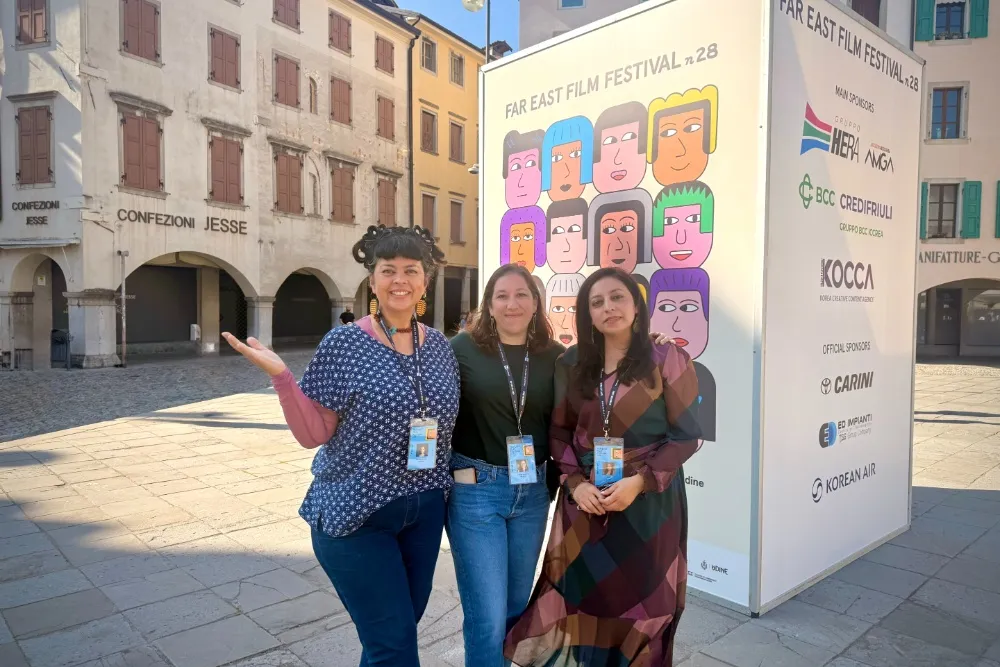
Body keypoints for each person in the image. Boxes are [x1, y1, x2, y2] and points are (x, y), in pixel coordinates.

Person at [222, 224, 459, 667]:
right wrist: (282, 378)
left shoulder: (441, 347)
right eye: (388, 270)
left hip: (425, 513)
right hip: (357, 516)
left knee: (392, 637)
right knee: (394, 647)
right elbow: (313, 434)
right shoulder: (346, 343)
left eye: (411, 270)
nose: (400, 280)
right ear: (373, 280)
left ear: (425, 280)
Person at [449, 264, 676, 667]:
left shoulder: (558, 357)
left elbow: (564, 427)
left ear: (536, 302)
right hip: (478, 491)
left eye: (522, 294)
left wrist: (649, 340)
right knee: (485, 616)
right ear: (488, 304)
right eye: (501, 295)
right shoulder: (462, 348)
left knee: (518, 606)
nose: (512, 303)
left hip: (534, 490)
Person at [505, 267, 702, 667]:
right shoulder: (572, 362)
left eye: (617, 297)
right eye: (597, 302)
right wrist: (574, 484)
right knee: (584, 604)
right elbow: (558, 433)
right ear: (586, 314)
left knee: (645, 611)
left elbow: (687, 435)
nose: (608, 307)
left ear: (636, 305)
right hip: (585, 505)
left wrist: (640, 483)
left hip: (648, 507)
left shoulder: (667, 357)